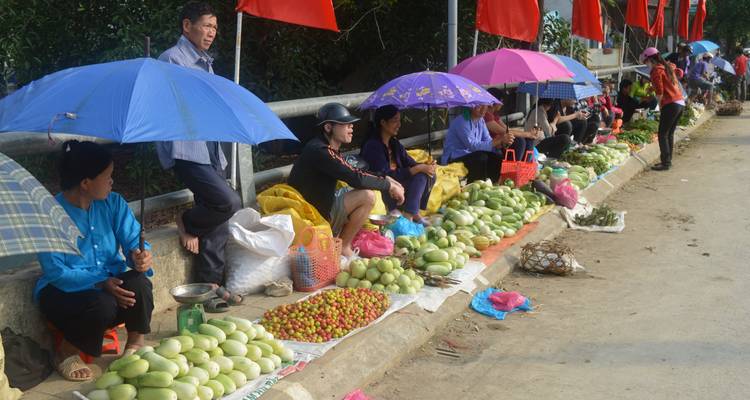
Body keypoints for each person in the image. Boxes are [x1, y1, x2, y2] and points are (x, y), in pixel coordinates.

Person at [35, 141, 154, 382]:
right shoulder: (49, 215)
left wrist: (139, 255)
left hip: (110, 285)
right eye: (107, 176)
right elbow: (57, 272)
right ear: (85, 183)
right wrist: (100, 282)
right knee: (101, 303)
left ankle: (135, 343)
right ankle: (66, 352)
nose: (112, 181)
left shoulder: (113, 202)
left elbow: (132, 238)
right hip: (64, 292)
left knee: (139, 283)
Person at [157, 2, 242, 303]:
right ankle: (188, 221)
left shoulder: (206, 63)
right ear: (186, 26)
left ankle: (209, 286)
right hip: (185, 148)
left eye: (215, 28)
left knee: (219, 224)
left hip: (210, 146)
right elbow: (175, 105)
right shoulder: (172, 60)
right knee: (228, 201)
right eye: (206, 26)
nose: (211, 33)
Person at [288, 103, 405, 257]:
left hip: (317, 207)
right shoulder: (320, 151)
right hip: (313, 217)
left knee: (361, 190)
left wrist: (385, 178)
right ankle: (343, 247)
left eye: (351, 124)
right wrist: (389, 185)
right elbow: (356, 178)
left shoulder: (325, 148)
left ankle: (340, 242)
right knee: (367, 196)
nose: (351, 127)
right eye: (345, 124)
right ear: (328, 127)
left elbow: (355, 171)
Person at [359, 106, 435, 224]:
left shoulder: (394, 143)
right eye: (395, 120)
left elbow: (411, 163)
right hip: (385, 188)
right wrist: (418, 168)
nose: (399, 124)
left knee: (429, 174)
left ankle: (413, 212)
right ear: (383, 123)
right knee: (420, 175)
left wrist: (426, 165)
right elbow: (384, 175)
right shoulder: (372, 146)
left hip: (399, 186)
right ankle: (408, 216)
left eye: (400, 120)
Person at [641, 47, 685, 171]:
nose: (646, 65)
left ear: (650, 60)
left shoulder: (656, 71)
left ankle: (665, 163)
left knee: (662, 134)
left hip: (670, 103)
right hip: (680, 102)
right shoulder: (668, 66)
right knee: (669, 133)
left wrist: (659, 106)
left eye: (646, 62)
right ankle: (668, 160)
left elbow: (660, 92)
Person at [441, 105, 509, 182]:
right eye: (479, 106)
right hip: (454, 158)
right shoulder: (462, 121)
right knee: (481, 157)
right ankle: (476, 185)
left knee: (497, 156)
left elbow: (488, 141)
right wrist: (498, 141)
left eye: (485, 106)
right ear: (471, 106)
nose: (483, 109)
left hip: (471, 155)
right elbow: (473, 146)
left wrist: (501, 143)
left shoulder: (481, 121)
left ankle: (492, 184)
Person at [484, 88, 536, 161]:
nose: (502, 104)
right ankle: (514, 167)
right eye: (501, 101)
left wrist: (528, 135)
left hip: (502, 141)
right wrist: (527, 134)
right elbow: (504, 131)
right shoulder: (486, 115)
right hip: (496, 143)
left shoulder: (494, 115)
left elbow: (508, 129)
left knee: (529, 140)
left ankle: (523, 166)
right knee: (519, 141)